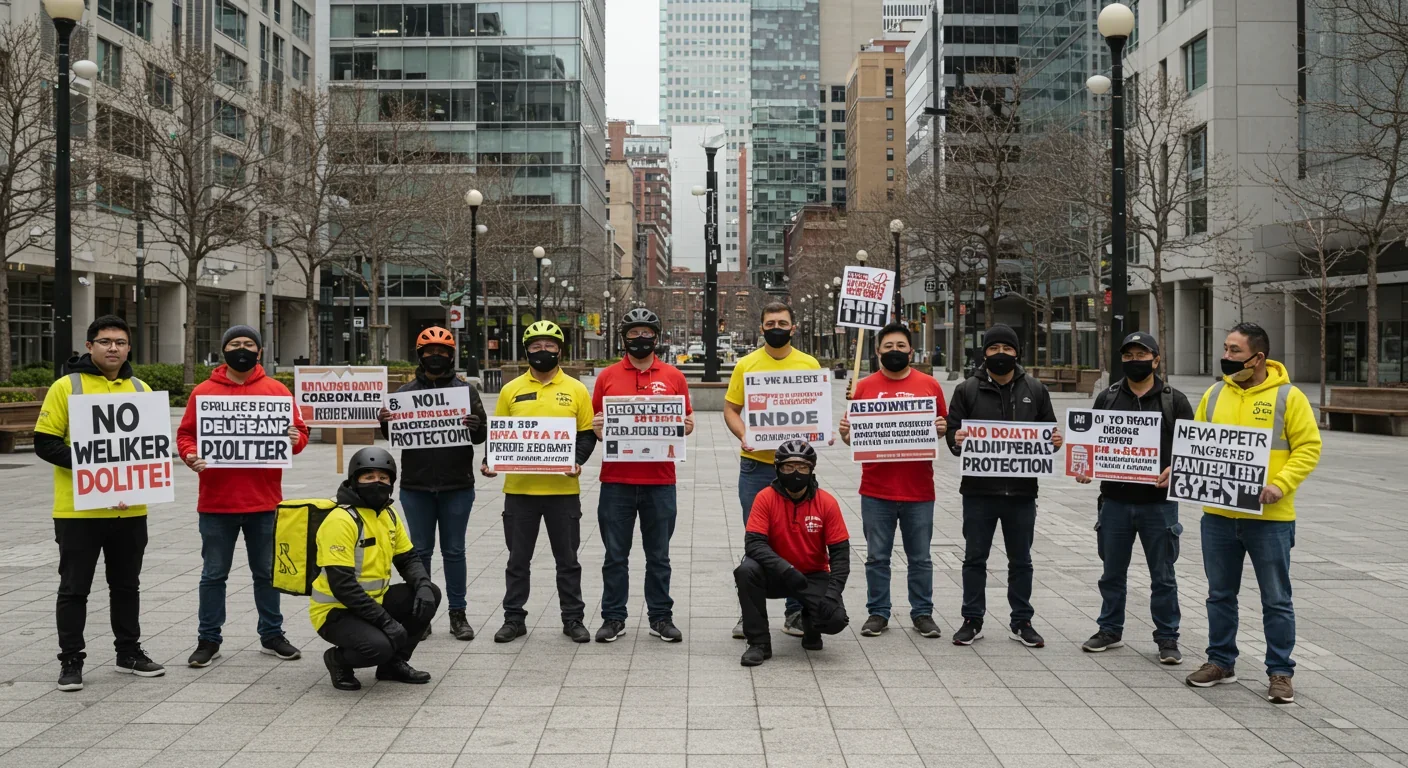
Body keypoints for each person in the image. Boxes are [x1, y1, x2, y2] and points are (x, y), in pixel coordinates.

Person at [1183, 322, 1321, 704]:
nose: (1226, 357)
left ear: (1258, 358)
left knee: (1276, 598)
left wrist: (1281, 483)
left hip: (1270, 519)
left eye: (1234, 351)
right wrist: (1178, 470)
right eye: (1225, 349)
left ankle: (1280, 672)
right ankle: (1220, 661)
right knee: (1219, 594)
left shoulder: (1289, 397)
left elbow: (1308, 447)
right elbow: (1197, 445)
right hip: (1218, 516)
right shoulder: (1213, 395)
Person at [37, 316, 165, 691]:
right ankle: (71, 660)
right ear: (89, 346)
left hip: (130, 509)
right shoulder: (66, 386)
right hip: (79, 510)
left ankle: (128, 653)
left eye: (121, 342)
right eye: (105, 341)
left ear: (128, 348)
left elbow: (148, 448)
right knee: (74, 589)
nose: (113, 348)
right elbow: (46, 442)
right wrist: (93, 465)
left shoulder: (142, 389)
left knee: (127, 585)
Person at [178, 325, 310, 667]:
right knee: (213, 575)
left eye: (248, 344)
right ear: (224, 351)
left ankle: (272, 634)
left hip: (264, 503)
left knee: (267, 574)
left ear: (260, 351)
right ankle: (208, 639)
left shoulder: (277, 391)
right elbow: (186, 435)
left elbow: (300, 435)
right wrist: (191, 455)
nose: (242, 349)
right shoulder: (203, 393)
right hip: (216, 503)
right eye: (234, 344)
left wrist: (295, 437)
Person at [1075, 332, 1194, 664]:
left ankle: (1167, 638)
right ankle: (1109, 630)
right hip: (1114, 502)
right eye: (1127, 356)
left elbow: (1192, 451)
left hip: (1159, 505)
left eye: (1142, 354)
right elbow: (1092, 443)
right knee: (1112, 573)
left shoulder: (1175, 401)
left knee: (1163, 576)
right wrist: (1086, 465)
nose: (1134, 361)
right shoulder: (1108, 398)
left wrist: (1177, 469)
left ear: (1156, 360)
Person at [946, 323, 1062, 648]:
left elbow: (1048, 431)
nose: (1001, 354)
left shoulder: (1035, 390)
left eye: (1007, 349)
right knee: (974, 558)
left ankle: (1022, 621)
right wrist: (956, 440)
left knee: (1021, 561)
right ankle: (972, 619)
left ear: (1017, 353)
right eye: (994, 349)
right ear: (985, 353)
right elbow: (953, 431)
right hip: (979, 493)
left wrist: (1053, 441)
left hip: (1022, 494)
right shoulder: (966, 389)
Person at [482, 322, 597, 644]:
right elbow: (500, 435)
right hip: (519, 491)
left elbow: (586, 434)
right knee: (518, 561)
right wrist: (489, 459)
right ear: (526, 350)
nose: (542, 351)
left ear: (560, 350)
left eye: (549, 346)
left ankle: (573, 619)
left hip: (562, 492)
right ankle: (513, 619)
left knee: (568, 561)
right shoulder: (511, 390)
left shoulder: (575, 389)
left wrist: (578, 459)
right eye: (535, 346)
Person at [377, 326, 488, 642]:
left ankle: (458, 613)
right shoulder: (404, 393)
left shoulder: (466, 392)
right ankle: (421, 615)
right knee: (420, 552)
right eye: (429, 351)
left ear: (451, 355)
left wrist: (477, 425)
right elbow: (392, 436)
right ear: (420, 355)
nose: (435, 356)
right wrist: (384, 420)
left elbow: (481, 436)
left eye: (442, 351)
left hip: (457, 486)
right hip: (416, 487)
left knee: (454, 552)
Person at [590, 308, 694, 643]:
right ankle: (613, 617)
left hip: (660, 481)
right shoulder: (607, 377)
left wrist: (687, 425)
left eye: (646, 332)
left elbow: (687, 418)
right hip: (616, 481)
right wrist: (598, 429)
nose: (640, 339)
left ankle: (661, 617)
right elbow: (596, 421)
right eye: (633, 333)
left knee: (659, 557)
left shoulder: (674, 376)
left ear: (656, 336)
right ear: (624, 338)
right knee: (615, 556)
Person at [838, 323, 947, 639]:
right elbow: (854, 440)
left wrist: (941, 428)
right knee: (877, 557)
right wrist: (847, 435)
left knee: (921, 558)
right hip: (876, 490)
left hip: (919, 489)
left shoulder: (929, 385)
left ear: (911, 351)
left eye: (901, 345)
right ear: (877, 351)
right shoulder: (864, 387)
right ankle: (878, 613)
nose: (895, 351)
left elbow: (942, 426)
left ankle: (922, 613)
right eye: (888, 346)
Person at [724, 301, 823, 639]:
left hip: (798, 469)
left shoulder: (809, 364)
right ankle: (750, 614)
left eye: (782, 322)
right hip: (756, 467)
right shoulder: (746, 365)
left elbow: (816, 411)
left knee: (800, 540)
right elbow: (731, 409)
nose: (776, 327)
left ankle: (795, 612)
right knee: (757, 541)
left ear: (793, 328)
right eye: (770, 322)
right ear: (762, 327)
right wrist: (743, 434)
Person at [313, 447, 441, 690]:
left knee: (429, 595)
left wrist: (423, 585)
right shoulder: (341, 520)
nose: (377, 483)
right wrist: (386, 622)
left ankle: (393, 665)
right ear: (354, 480)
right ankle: (337, 660)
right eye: (368, 477)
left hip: (374, 601)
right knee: (378, 647)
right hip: (336, 611)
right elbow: (343, 586)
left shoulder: (388, 514)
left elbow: (408, 558)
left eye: (383, 478)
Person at [734, 440, 851, 666]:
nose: (795, 473)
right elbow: (754, 544)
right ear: (777, 469)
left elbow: (840, 555)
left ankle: (809, 621)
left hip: (812, 574)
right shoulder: (765, 498)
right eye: (788, 467)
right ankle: (758, 643)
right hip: (775, 573)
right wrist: (785, 569)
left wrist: (832, 594)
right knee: (746, 571)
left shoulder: (827, 502)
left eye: (802, 467)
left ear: (811, 469)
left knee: (835, 620)